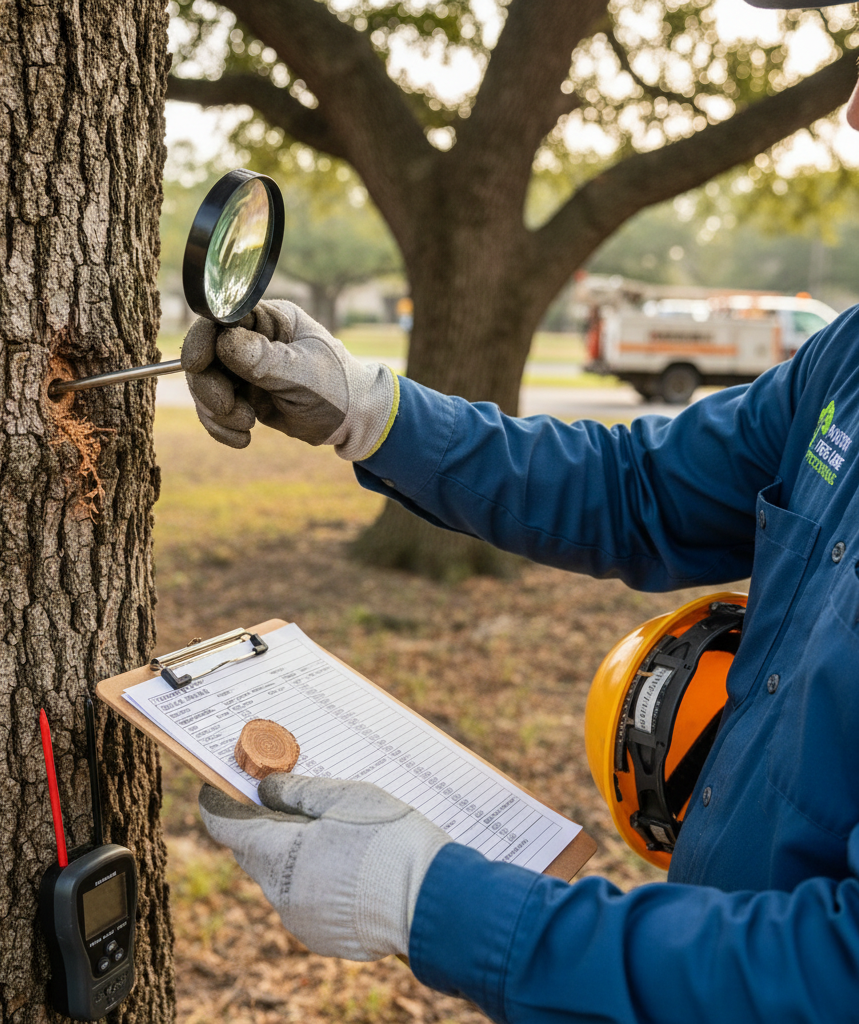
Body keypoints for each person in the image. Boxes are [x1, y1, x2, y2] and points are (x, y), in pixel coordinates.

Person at [181, 3, 859, 1019]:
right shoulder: (846, 359)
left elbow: (835, 971)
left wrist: (433, 902)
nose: (849, 114)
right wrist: (369, 413)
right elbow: (639, 489)